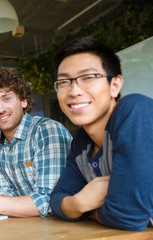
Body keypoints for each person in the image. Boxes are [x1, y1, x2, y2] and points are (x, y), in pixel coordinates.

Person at [50, 37, 153, 231]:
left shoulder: (135, 111)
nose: (74, 91)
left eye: (87, 78)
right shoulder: (82, 141)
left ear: (114, 85)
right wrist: (79, 203)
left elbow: (128, 216)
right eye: (64, 82)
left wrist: (90, 213)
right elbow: (58, 198)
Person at [0, 67, 72, 218]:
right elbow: (4, 192)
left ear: (23, 101)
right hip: (27, 225)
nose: (0, 109)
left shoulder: (47, 131)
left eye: (6, 99)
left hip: (64, 226)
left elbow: (48, 202)